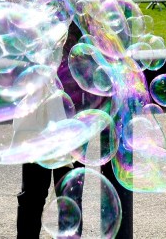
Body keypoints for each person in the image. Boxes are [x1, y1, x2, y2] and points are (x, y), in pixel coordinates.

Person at [16, 22, 104, 239]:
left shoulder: (85, 16)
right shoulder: (40, 14)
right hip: (42, 116)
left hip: (75, 117)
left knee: (70, 197)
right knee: (33, 195)